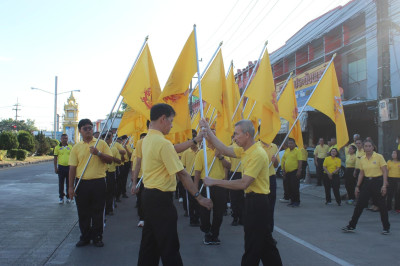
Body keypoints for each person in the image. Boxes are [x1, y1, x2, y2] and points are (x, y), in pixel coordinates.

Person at [136, 103, 212, 266]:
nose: (171, 125)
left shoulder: (147, 139)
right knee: (169, 245)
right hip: (161, 201)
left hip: (149, 197)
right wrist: (199, 197)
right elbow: (183, 174)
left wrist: (194, 140)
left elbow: (173, 148)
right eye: (170, 121)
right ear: (163, 119)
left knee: (150, 244)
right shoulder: (163, 143)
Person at [201, 119, 283, 266]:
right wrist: (208, 131)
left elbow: (243, 183)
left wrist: (215, 181)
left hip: (258, 203)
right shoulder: (246, 150)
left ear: (246, 135)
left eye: (236, 134)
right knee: (266, 245)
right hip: (253, 201)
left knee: (252, 244)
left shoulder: (257, 154)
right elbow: (225, 149)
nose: (234, 137)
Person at [68, 119, 113, 247]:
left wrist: (98, 153)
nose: (88, 130)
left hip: (98, 182)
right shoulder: (76, 147)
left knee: (98, 211)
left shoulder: (101, 144)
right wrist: (71, 187)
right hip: (82, 183)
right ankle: (85, 237)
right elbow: (72, 168)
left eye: (90, 128)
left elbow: (110, 160)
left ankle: (97, 236)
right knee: (83, 212)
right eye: (85, 128)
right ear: (80, 131)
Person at [342, 140, 390, 235]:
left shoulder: (379, 157)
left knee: (382, 205)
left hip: (378, 182)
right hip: (367, 182)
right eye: (366, 146)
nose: (367, 148)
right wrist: (357, 186)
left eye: (369, 146)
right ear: (363, 148)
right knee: (359, 205)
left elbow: (385, 171)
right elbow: (361, 173)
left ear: (373, 147)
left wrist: (384, 185)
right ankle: (351, 226)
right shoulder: (362, 159)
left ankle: (386, 227)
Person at [194, 128, 231, 245]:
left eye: (215, 136)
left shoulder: (222, 150)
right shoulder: (201, 153)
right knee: (205, 212)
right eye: (211, 136)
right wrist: (195, 191)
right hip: (205, 186)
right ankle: (206, 231)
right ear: (207, 138)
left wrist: (221, 157)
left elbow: (229, 166)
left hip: (219, 185)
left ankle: (214, 234)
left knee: (219, 213)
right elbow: (197, 173)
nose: (213, 138)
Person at [181, 130, 200, 226]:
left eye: (194, 137)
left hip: (199, 177)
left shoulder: (201, 151)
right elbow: (182, 167)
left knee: (199, 197)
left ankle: (198, 217)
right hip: (189, 177)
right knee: (191, 199)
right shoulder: (185, 153)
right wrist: (184, 181)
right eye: (190, 139)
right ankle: (192, 219)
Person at [260, 140, 280, 233]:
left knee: (270, 207)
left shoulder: (274, 146)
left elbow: (276, 165)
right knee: (260, 208)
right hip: (259, 179)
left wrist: (275, 161)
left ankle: (269, 233)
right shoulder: (256, 146)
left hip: (271, 178)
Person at [103, 132, 121, 216]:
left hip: (111, 173)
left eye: (108, 138)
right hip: (102, 173)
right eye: (105, 138)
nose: (106, 140)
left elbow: (119, 161)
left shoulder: (114, 149)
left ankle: (109, 208)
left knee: (110, 191)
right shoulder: (100, 148)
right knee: (103, 192)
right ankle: (104, 209)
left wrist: (111, 158)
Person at [281, 138, 302, 207]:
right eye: (289, 143)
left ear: (295, 144)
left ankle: (297, 201)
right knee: (289, 187)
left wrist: (299, 171)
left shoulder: (297, 151)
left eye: (291, 143)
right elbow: (284, 161)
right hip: (287, 172)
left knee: (295, 187)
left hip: (294, 171)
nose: (290, 145)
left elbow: (300, 161)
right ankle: (292, 201)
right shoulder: (287, 151)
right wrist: (283, 170)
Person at [131, 132, 147, 227]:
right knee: (141, 199)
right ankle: (142, 218)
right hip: (140, 177)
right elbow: (135, 164)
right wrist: (134, 181)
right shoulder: (138, 149)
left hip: (150, 177)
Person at [228, 137, 244, 226]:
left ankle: (242, 218)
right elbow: (228, 163)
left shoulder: (245, 147)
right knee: (234, 198)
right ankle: (235, 217)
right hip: (234, 173)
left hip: (244, 174)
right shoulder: (230, 147)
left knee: (243, 198)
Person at [53, 134, 73, 204]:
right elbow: (55, 158)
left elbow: (73, 158)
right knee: (61, 183)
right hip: (61, 167)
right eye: (64, 138)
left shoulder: (70, 147)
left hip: (69, 167)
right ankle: (61, 197)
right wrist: (55, 168)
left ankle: (68, 197)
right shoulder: (57, 147)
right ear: (61, 139)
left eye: (66, 138)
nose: (65, 140)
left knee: (69, 183)